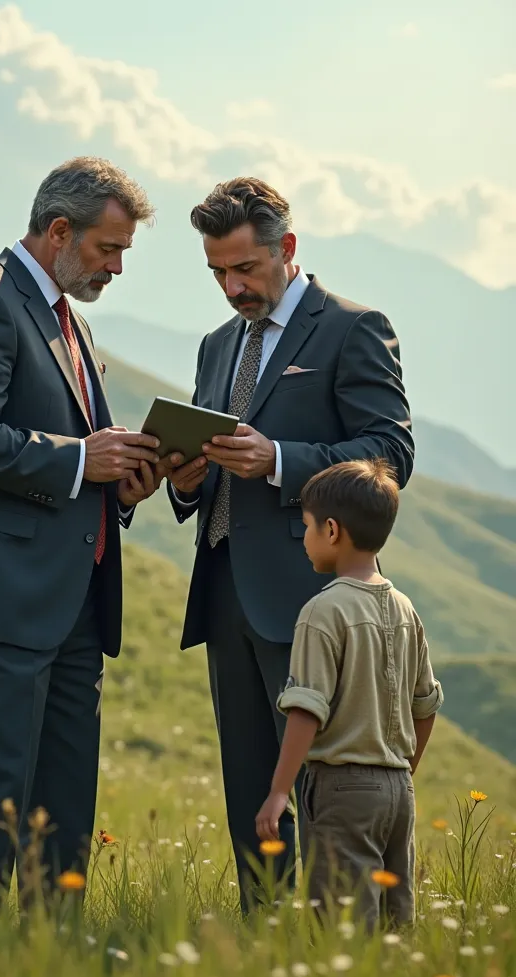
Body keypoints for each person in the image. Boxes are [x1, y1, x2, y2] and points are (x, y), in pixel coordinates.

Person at [0, 157, 173, 907]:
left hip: (77, 599)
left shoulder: (72, 320)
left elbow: (70, 456)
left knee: (65, 797)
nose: (118, 267)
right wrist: (79, 458)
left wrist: (120, 478)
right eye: (107, 249)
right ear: (59, 230)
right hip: (3, 595)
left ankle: (56, 951)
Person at [167, 177, 414, 912]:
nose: (232, 286)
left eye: (245, 268)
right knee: (249, 781)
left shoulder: (353, 327)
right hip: (223, 596)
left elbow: (389, 453)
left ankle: (341, 935)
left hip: (316, 598)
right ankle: (265, 931)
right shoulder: (216, 346)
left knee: (323, 784)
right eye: (218, 271)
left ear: (289, 249)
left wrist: (279, 460)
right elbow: (212, 467)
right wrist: (185, 481)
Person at [256, 459, 443, 929]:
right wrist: (401, 770)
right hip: (399, 789)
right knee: (394, 924)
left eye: (306, 527)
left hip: (343, 791)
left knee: (341, 926)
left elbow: (305, 710)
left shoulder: (322, 611)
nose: (304, 539)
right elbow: (426, 705)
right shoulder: (406, 610)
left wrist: (280, 792)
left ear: (332, 530)